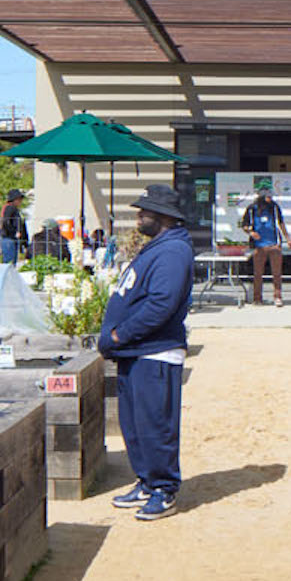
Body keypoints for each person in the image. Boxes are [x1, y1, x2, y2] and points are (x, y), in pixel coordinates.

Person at [99, 186, 195, 520]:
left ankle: (164, 488)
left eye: (145, 211)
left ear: (164, 216)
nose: (138, 215)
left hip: (155, 351)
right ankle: (147, 481)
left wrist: (118, 333)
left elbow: (161, 305)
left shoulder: (173, 252)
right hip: (135, 351)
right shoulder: (158, 248)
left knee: (156, 425)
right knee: (135, 425)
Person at [241, 183, 289, 306]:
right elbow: (244, 225)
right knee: (258, 273)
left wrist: (287, 238)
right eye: (268, 195)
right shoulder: (252, 208)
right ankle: (258, 298)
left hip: (274, 244)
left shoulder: (274, 207)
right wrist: (251, 233)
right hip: (259, 245)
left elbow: (281, 223)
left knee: (277, 273)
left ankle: (277, 297)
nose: (270, 198)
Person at [0, 190, 26, 267]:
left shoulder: (11, 208)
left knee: (11, 264)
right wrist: (15, 232)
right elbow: (6, 222)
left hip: (9, 238)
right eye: (19, 199)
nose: (20, 201)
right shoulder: (10, 208)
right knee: (9, 264)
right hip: (8, 238)